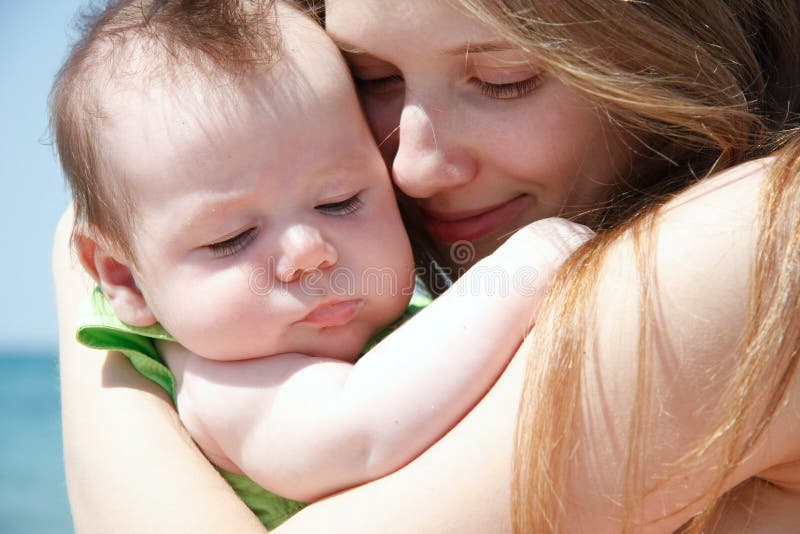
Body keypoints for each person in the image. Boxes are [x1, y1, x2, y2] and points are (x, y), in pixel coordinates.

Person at [53, 0, 800, 532]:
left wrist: (85, 294)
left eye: (502, 79)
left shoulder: (757, 234)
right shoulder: (229, 378)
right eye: (373, 79)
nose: (409, 169)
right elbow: (357, 427)